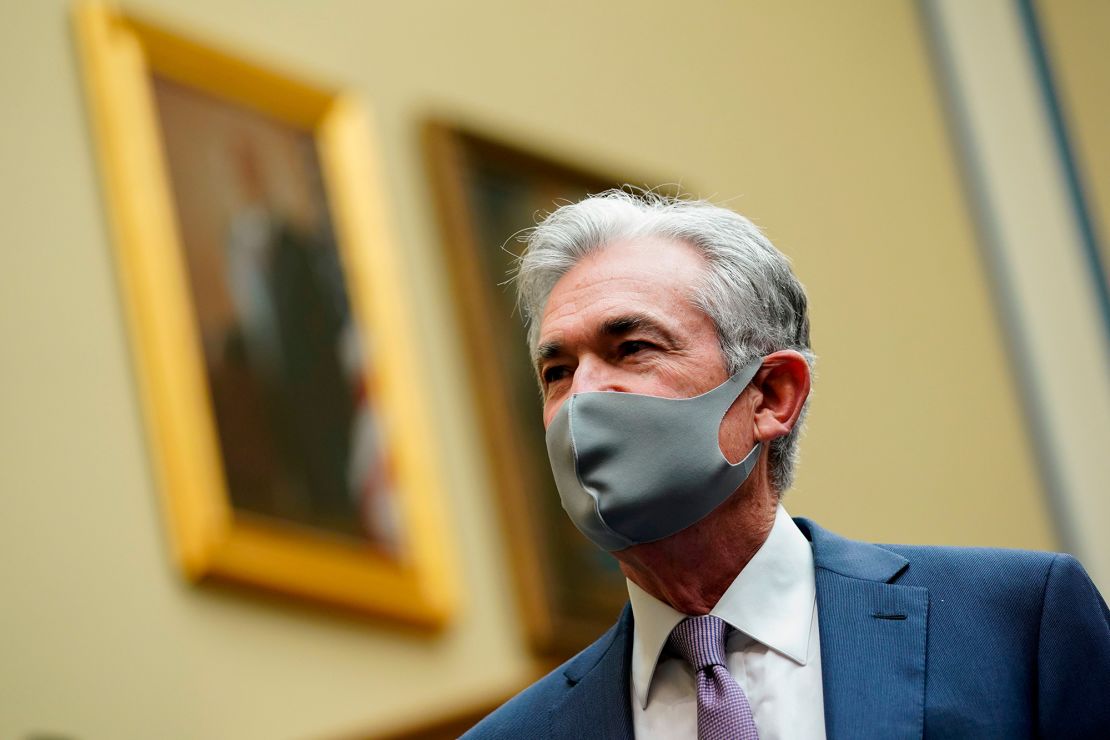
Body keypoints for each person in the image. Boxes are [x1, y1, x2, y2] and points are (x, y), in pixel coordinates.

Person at [463, 190, 1110, 739]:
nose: (583, 398)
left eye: (631, 348)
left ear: (770, 396)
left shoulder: (1015, 625)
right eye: (557, 371)